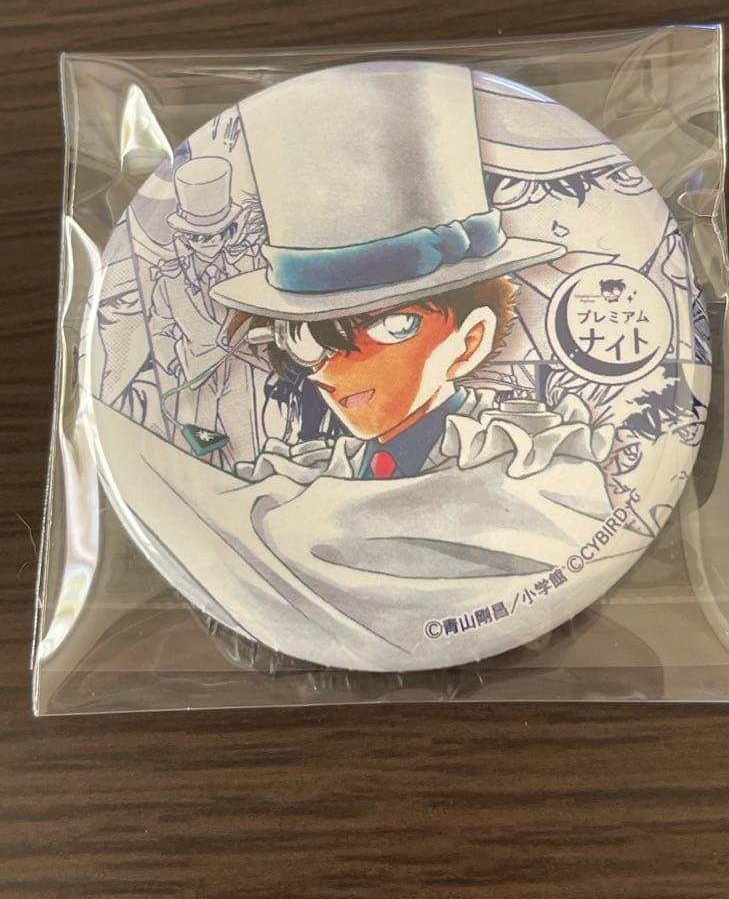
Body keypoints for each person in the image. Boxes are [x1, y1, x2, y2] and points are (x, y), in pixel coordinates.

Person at [95, 62, 633, 670]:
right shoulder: (307, 477)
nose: (332, 372)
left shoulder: (532, 474)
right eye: (308, 341)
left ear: (470, 341)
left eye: (390, 327)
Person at [148, 155, 267, 468]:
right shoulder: (170, 280)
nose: (211, 242)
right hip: (194, 378)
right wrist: (173, 363)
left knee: (246, 452)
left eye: (221, 233)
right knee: (197, 455)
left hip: (242, 373)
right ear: (186, 238)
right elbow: (159, 328)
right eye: (200, 236)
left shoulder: (247, 268)